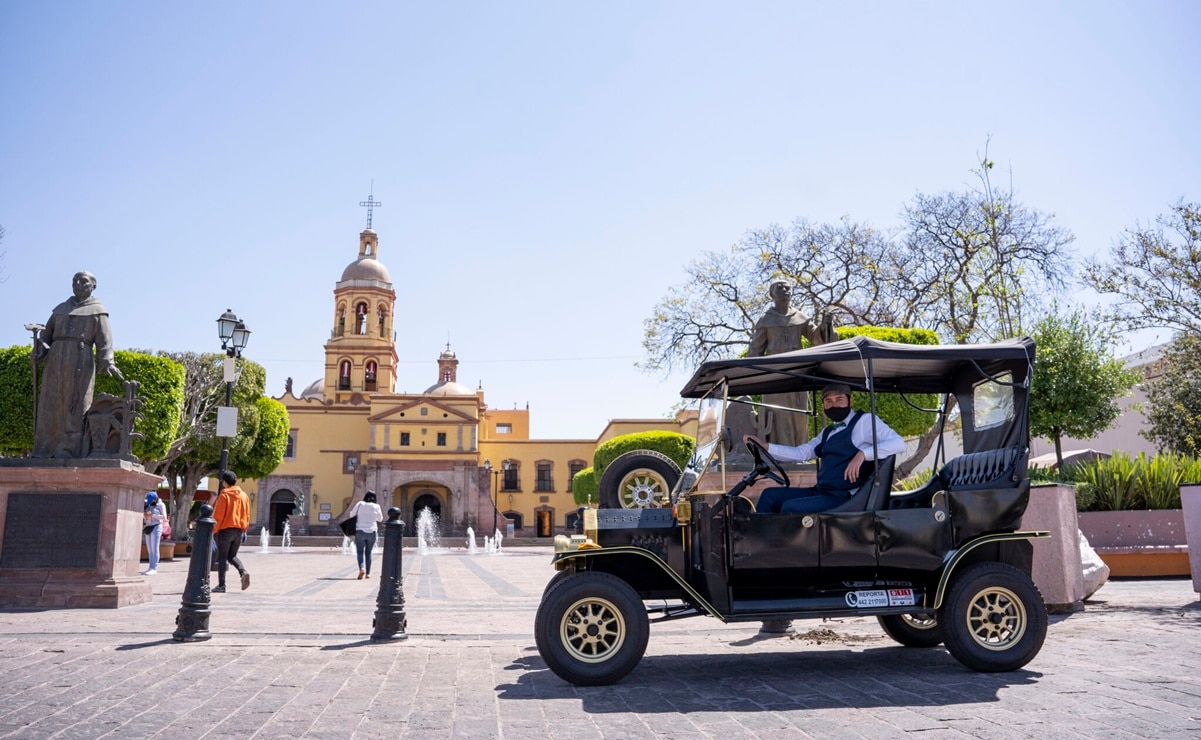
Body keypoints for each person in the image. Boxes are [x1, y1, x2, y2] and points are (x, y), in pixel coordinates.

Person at [745, 383, 906, 514]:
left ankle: (787, 552)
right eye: (828, 401)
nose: (833, 404)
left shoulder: (865, 421)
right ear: (823, 406)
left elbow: (899, 443)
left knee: (790, 507)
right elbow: (802, 453)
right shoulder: (828, 431)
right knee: (770, 496)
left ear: (850, 401)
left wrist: (863, 454)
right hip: (822, 491)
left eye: (839, 399)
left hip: (845, 497)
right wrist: (766, 446)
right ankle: (759, 544)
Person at [32, 271, 124, 458]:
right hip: (55, 361)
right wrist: (40, 347)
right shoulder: (60, 309)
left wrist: (108, 361)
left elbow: (105, 340)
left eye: (84, 281)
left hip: (80, 361)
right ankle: (44, 449)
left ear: (93, 286)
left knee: (75, 406)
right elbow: (46, 334)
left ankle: (67, 450)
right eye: (75, 281)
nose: (78, 284)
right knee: (49, 404)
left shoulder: (98, 311)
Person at [747, 281, 835, 446]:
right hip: (774, 372)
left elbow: (817, 338)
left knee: (799, 413)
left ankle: (799, 452)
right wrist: (745, 375)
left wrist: (825, 324)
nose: (784, 290)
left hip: (798, 372)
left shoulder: (800, 317)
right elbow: (755, 350)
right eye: (779, 288)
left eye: (787, 288)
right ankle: (776, 453)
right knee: (775, 413)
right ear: (772, 294)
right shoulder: (766, 320)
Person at [212, 471, 251, 592]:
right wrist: (244, 530)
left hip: (225, 530)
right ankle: (243, 571)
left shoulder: (224, 495)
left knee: (222, 557)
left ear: (225, 482)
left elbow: (218, 516)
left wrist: (214, 530)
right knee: (232, 556)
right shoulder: (244, 496)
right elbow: (247, 514)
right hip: (239, 531)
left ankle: (221, 585)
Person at [346, 490, 384, 579]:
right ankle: (368, 573)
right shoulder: (376, 506)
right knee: (369, 552)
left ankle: (361, 568)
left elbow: (351, 515)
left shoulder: (360, 504)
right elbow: (380, 519)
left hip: (360, 531)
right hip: (372, 531)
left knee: (360, 552)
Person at [142, 491, 168, 576]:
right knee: (149, 549)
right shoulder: (149, 505)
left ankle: (154, 568)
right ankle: (150, 567)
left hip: (156, 526)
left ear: (155, 499)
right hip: (148, 526)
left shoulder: (161, 505)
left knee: (154, 548)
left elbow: (164, 517)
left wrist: (153, 515)